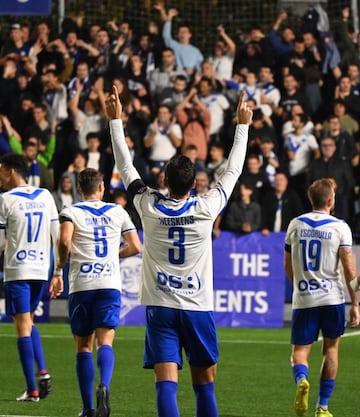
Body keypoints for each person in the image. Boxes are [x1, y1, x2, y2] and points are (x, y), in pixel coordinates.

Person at [106, 86, 252, 417]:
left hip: (160, 307)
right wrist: (242, 126)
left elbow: (126, 168)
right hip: (197, 306)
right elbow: (232, 171)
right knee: (205, 383)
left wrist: (115, 120)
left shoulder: (148, 205)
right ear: (194, 183)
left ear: (165, 180)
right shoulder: (206, 206)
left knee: (165, 384)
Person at [56, 168, 142, 417]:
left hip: (82, 284)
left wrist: (60, 266)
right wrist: (114, 255)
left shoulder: (71, 211)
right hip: (108, 283)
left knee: (83, 347)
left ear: (80, 188)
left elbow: (63, 241)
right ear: (102, 187)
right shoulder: (117, 211)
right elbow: (136, 246)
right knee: (105, 342)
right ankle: (104, 384)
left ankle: (87, 409)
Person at [284, 178, 360, 417]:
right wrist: (356, 303)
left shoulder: (295, 225)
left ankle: (302, 380)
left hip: (304, 298)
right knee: (331, 349)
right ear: (330, 200)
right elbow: (349, 269)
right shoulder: (340, 227)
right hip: (333, 299)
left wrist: (300, 288)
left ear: (311, 200)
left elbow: (287, 264)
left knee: (300, 351)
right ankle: (323, 407)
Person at [0, 153, 63, 402]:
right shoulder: (45, 195)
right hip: (41, 268)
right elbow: (57, 235)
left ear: (10, 170)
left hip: (18, 269)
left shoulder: (6, 200)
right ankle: (43, 372)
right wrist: (58, 271)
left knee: (22, 325)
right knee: (30, 322)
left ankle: (32, 389)